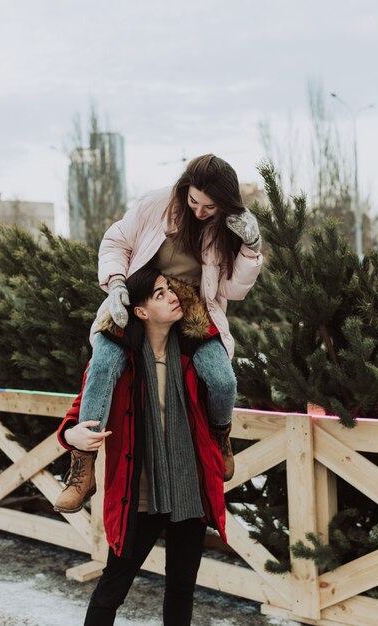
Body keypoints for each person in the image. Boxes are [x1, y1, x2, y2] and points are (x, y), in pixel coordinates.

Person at [54, 153, 262, 513]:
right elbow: (116, 242)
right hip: (141, 293)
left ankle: (221, 436)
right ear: (184, 189)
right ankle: (82, 467)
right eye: (193, 201)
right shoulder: (155, 204)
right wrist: (117, 283)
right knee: (103, 364)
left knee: (223, 380)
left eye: (209, 207)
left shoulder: (231, 226)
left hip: (192, 306)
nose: (199, 211)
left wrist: (251, 249)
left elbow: (233, 290)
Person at [56, 267, 227, 626]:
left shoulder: (193, 355)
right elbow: (80, 408)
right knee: (112, 589)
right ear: (141, 312)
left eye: (169, 289)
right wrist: (71, 436)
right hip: (141, 493)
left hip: (188, 489)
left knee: (181, 588)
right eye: (160, 295)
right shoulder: (122, 359)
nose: (172, 296)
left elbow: (220, 397)